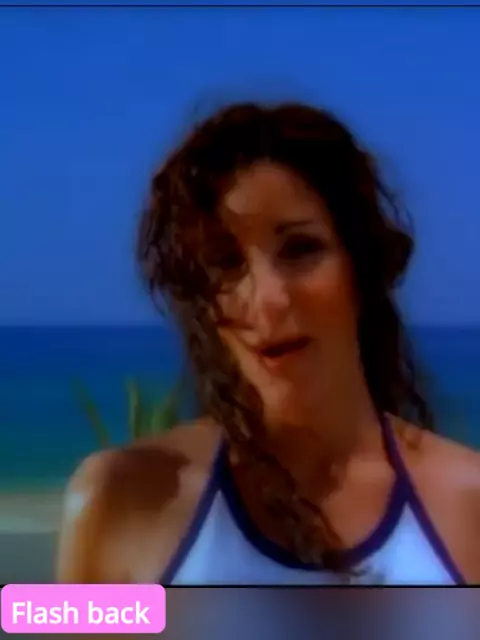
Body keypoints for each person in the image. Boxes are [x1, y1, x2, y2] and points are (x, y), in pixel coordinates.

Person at [57, 101, 480, 585]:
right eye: (225, 262)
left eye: (301, 249)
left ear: (362, 267)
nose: (270, 299)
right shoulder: (120, 500)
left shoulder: (468, 507)